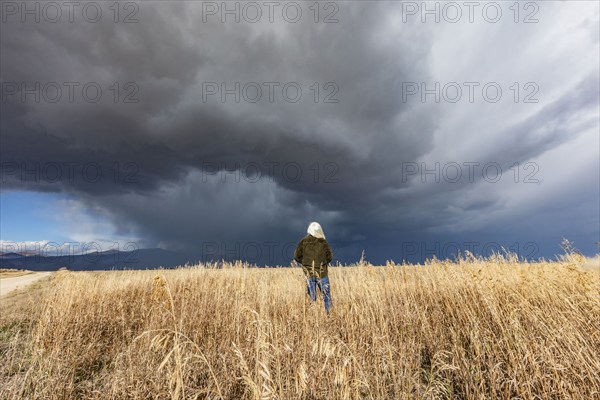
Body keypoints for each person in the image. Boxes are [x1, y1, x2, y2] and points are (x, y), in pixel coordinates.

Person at [294, 222, 333, 314]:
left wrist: (305, 264)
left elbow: (296, 256)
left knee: (312, 298)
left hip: (308, 274)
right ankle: (329, 317)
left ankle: (313, 317)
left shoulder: (303, 241)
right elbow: (330, 257)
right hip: (322, 273)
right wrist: (322, 264)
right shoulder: (323, 242)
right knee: (326, 296)